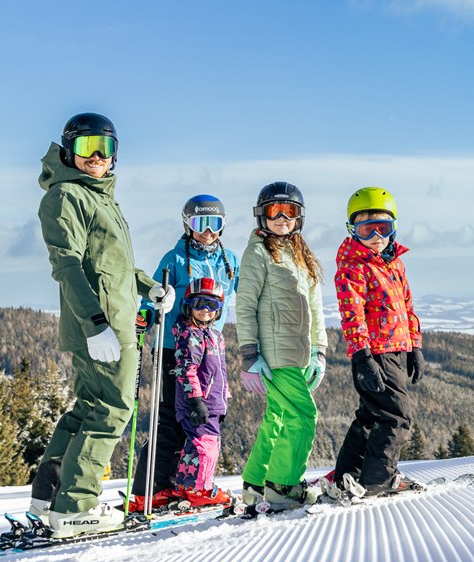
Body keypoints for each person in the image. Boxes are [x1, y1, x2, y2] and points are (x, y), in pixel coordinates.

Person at [30, 112, 176, 537]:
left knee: (91, 406)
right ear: (68, 151)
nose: (96, 156)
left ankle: (52, 490)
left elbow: (113, 267)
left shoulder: (100, 197)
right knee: (113, 409)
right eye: (86, 147)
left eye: (105, 148)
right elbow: (68, 267)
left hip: (111, 320)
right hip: (103, 325)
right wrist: (96, 324)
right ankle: (77, 505)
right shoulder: (66, 197)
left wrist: (148, 287)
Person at [128, 195, 240, 513]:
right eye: (199, 224)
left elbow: (245, 293)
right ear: (187, 224)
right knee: (170, 421)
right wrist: (144, 317)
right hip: (171, 348)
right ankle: (150, 490)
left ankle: (183, 482)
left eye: (214, 224)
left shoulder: (230, 260)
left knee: (196, 422)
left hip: (208, 350)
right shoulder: (175, 259)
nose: (207, 231)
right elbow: (154, 294)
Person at [324, 187, 426, 497]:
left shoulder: (394, 264)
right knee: (396, 415)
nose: (377, 236)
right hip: (374, 354)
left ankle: (347, 476)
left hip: (396, 349)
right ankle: (379, 479)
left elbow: (407, 307)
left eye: (385, 228)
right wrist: (362, 357)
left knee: (371, 416)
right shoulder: (352, 270)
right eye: (367, 229)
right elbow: (352, 316)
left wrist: (415, 346)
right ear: (352, 231)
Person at [235, 181, 328, 511]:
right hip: (277, 354)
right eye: (275, 211)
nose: (282, 218)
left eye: (290, 211)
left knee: (278, 416)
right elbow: (244, 304)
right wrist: (249, 353)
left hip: (301, 352)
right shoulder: (257, 252)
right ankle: (283, 487)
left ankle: (256, 482)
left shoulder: (301, 254)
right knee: (303, 417)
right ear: (262, 215)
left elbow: (315, 306)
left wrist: (319, 350)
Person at [164, 277, 232, 508]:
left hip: (212, 402)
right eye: (199, 303)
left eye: (211, 305)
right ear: (188, 306)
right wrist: (195, 400)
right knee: (206, 445)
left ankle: (186, 484)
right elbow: (185, 368)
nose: (205, 310)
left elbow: (220, 370)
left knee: (197, 444)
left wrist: (225, 399)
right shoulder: (190, 334)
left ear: (219, 311)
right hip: (197, 402)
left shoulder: (215, 335)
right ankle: (200, 490)